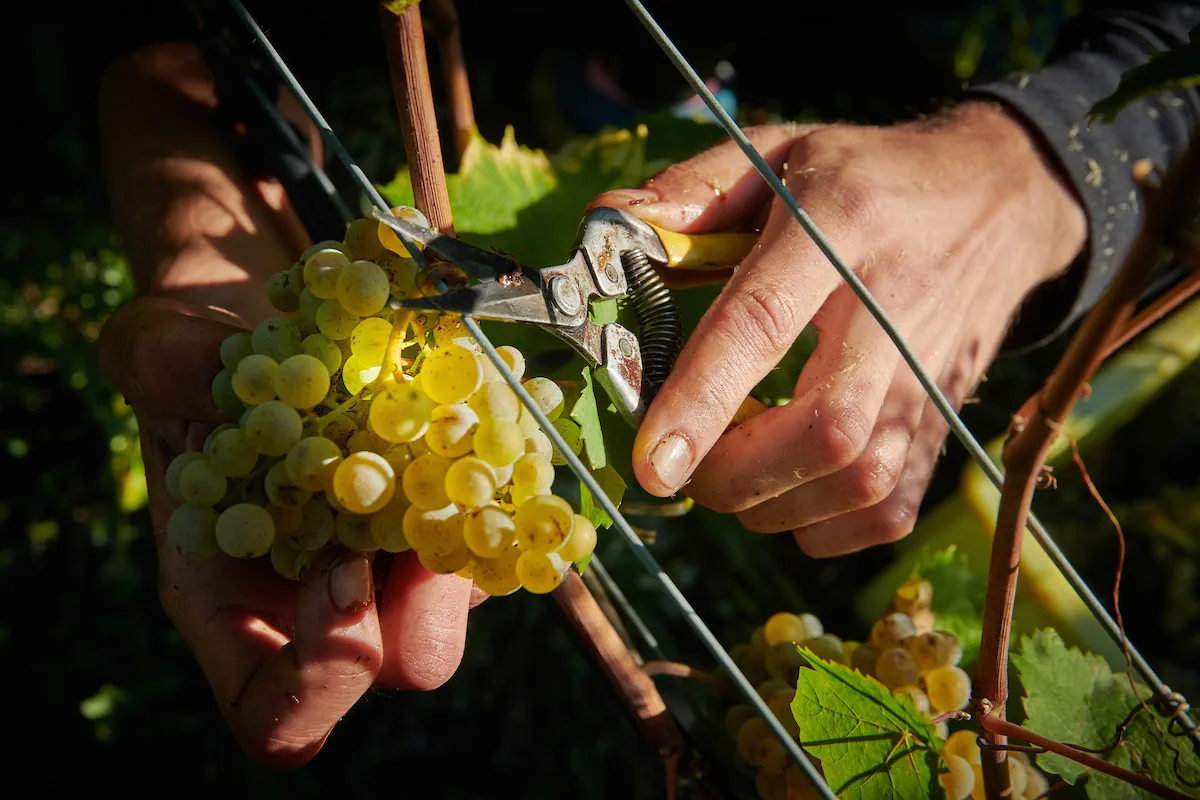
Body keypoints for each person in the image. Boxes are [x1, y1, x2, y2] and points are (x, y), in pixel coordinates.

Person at [94, 1, 1199, 770]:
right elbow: (171, 37)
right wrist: (184, 179)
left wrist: (1043, 161)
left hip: (867, 53)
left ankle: (626, 77)